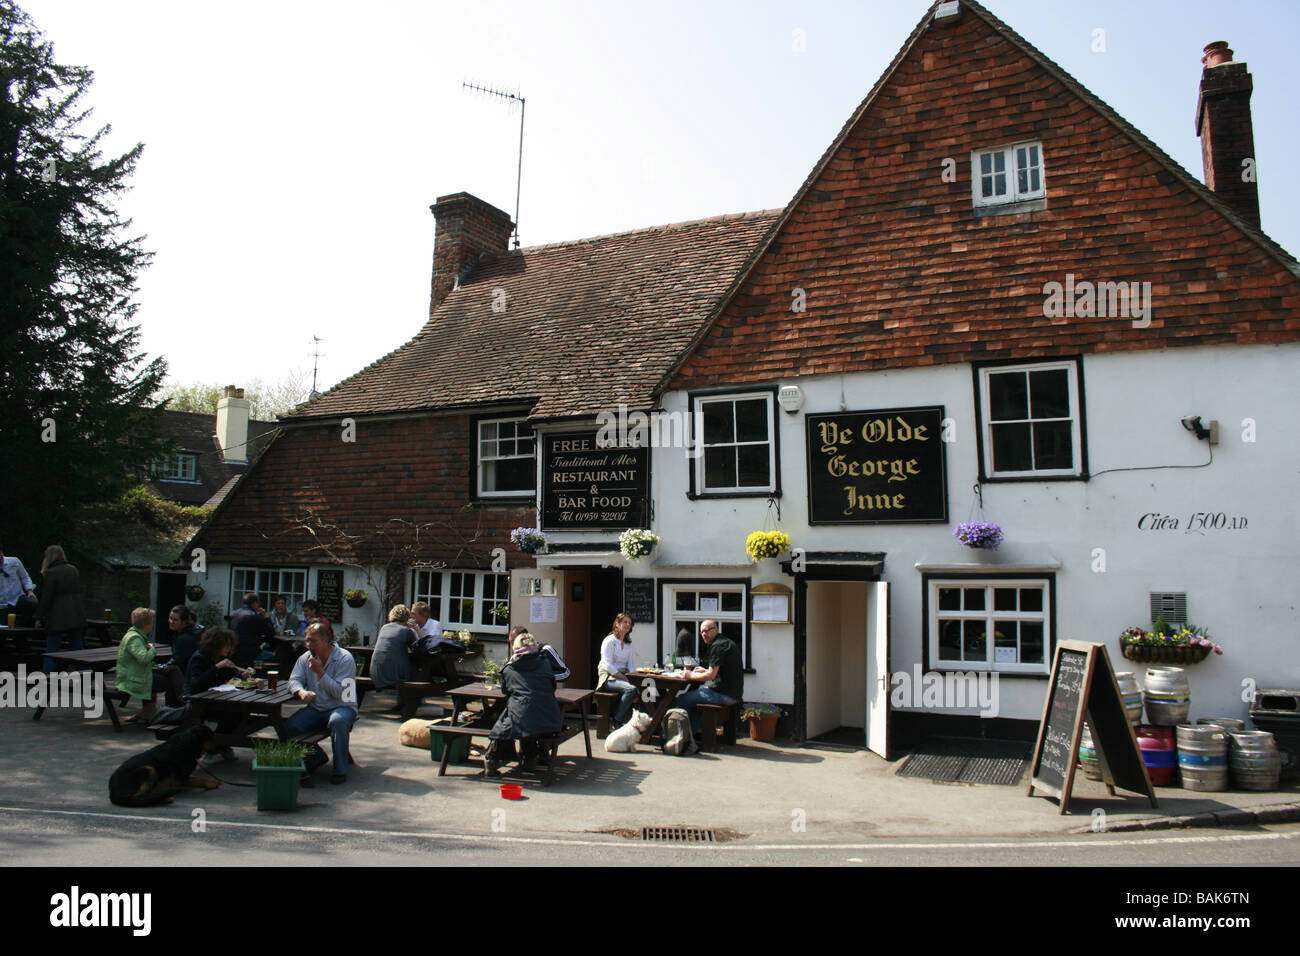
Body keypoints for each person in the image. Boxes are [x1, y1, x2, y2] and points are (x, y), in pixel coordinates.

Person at [485, 633, 566, 774]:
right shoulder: (545, 663)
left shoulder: (509, 669)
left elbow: (505, 691)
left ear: (515, 648)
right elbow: (552, 686)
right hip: (550, 718)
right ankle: (529, 760)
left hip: (523, 718)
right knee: (525, 713)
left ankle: (491, 760)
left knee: (511, 716)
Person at [287, 622, 357, 785]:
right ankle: (316, 757)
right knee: (290, 725)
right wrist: (300, 692)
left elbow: (342, 694)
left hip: (343, 707)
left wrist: (320, 673)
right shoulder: (306, 657)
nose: (309, 645)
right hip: (317, 707)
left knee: (337, 722)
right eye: (307, 641)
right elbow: (294, 680)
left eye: (313, 641)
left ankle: (340, 770)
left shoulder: (345, 658)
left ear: (326, 641)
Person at [184, 626, 250, 764]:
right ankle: (214, 748)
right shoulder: (199, 658)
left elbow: (230, 676)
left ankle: (221, 745)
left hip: (218, 698)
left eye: (229, 645)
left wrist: (241, 675)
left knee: (241, 714)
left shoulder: (220, 658)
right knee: (231, 714)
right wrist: (216, 667)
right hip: (197, 701)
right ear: (215, 645)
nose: (228, 649)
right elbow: (196, 682)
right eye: (225, 645)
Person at [116, 607, 185, 722]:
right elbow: (144, 658)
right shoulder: (134, 638)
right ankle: (181, 706)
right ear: (147, 624)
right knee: (170, 680)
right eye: (152, 622)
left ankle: (152, 711)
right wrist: (152, 649)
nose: (153, 624)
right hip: (133, 679)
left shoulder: (136, 635)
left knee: (172, 670)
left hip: (138, 674)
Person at [675, 619, 743, 734]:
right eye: (702, 632)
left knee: (683, 699)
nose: (704, 634)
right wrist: (705, 670)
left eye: (707, 631)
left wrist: (690, 674)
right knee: (695, 702)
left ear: (716, 630)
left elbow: (711, 676)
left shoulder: (717, 646)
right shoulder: (725, 642)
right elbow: (718, 670)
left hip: (725, 695)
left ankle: (681, 735)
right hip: (734, 694)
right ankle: (692, 734)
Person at [34, 545, 86, 675]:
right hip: (76, 612)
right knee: (77, 646)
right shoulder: (73, 570)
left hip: (58, 614)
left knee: (52, 648)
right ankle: (85, 672)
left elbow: (47, 597)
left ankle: (47, 674)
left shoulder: (51, 573)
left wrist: (38, 617)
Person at [597, 613, 637, 725]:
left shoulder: (629, 644)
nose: (627, 625)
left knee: (642, 687)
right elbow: (607, 664)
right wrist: (623, 677)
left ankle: (636, 722)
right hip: (608, 677)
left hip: (623, 676)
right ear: (617, 624)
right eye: (625, 622)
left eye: (629, 623)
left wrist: (635, 677)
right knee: (631, 689)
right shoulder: (609, 641)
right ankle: (617, 719)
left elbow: (630, 665)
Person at [371, 603, 418, 690]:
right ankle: (409, 699)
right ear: (407, 618)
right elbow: (417, 649)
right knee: (415, 669)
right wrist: (415, 629)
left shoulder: (384, 627)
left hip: (376, 672)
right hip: (394, 674)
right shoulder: (406, 630)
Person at [230, 592, 275, 665]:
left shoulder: (236, 614)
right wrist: (265, 617)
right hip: (250, 652)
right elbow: (271, 633)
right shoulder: (254, 616)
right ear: (255, 603)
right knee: (273, 656)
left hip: (235, 651)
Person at [0, 543, 38, 624]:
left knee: (32, 603)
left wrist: (29, 590)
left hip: (17, 597)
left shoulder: (14, 561)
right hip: (3, 603)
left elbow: (25, 577)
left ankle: (22, 625)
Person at [164, 605, 204, 674]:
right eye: (170, 618)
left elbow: (177, 661)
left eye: (175, 620)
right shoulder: (193, 632)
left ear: (184, 622)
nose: (171, 622)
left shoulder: (184, 638)